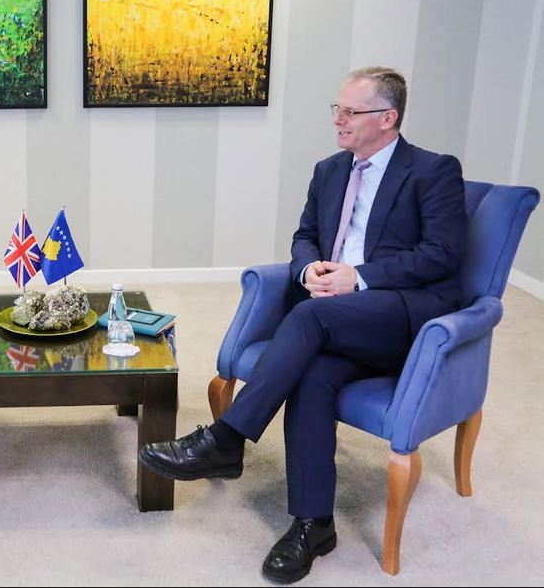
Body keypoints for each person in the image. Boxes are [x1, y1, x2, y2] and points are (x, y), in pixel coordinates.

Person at [139, 66, 467, 583]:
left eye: (350, 111)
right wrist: (308, 267)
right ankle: (314, 525)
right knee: (313, 375)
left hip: (399, 317)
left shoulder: (433, 170)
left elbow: (443, 254)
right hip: (334, 318)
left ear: (388, 118)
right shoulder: (329, 170)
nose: (338, 119)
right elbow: (304, 235)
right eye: (337, 108)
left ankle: (227, 439)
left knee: (309, 316)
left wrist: (359, 277)